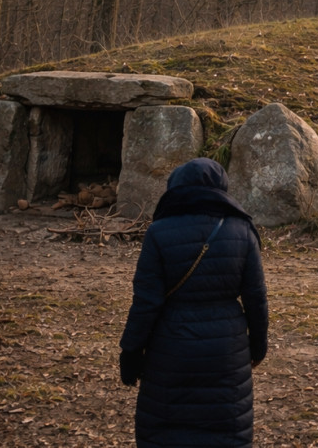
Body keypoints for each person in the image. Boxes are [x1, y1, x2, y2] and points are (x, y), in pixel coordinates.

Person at [119, 158, 269, 447]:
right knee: (226, 433)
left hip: (169, 350)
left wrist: (130, 353)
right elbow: (256, 298)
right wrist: (258, 345)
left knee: (166, 433)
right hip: (227, 351)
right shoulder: (243, 231)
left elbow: (145, 303)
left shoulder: (158, 232)